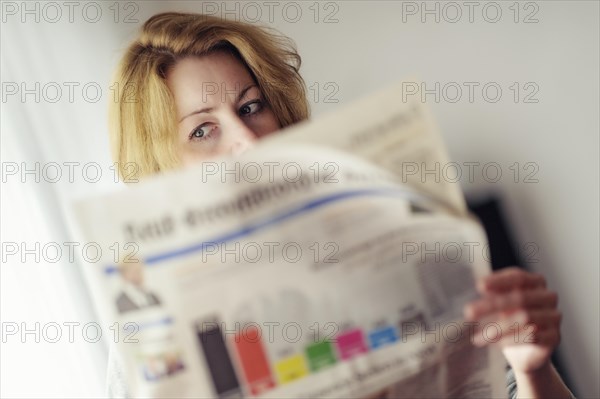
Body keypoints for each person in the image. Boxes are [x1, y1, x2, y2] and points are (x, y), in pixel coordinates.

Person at [106, 12, 574, 398]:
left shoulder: (405, 250)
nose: (247, 140)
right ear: (160, 171)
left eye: (250, 107)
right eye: (203, 130)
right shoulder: (152, 348)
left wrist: (531, 369)